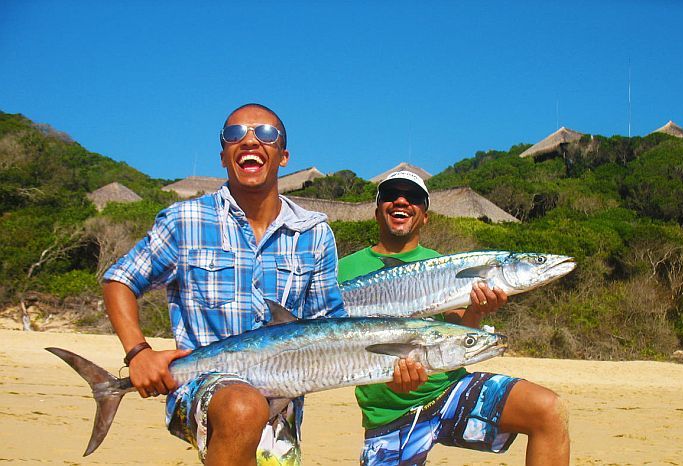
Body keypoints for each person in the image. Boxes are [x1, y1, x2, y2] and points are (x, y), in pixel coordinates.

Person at [102, 103, 346, 466]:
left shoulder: (314, 233)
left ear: (283, 156)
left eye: (265, 134)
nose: (249, 141)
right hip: (201, 388)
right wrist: (138, 352)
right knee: (242, 405)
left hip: (282, 402)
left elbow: (330, 323)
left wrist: (394, 367)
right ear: (223, 156)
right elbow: (119, 280)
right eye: (235, 134)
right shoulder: (185, 221)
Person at [337, 171, 570, 465]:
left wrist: (477, 310)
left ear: (425, 216)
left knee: (548, 410)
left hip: (450, 391)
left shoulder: (441, 264)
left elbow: (461, 333)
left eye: (414, 198)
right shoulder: (341, 271)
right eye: (390, 195)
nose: (401, 201)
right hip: (389, 412)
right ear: (377, 211)